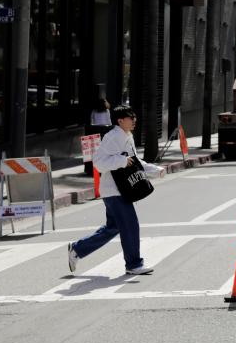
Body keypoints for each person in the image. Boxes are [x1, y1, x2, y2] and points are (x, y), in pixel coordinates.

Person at [68, 105, 164, 275]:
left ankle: (78, 249)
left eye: (134, 116)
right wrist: (120, 161)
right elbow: (98, 163)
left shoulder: (127, 136)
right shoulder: (112, 137)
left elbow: (134, 162)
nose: (134, 120)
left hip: (119, 191)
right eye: (131, 117)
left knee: (113, 228)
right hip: (113, 191)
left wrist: (155, 170)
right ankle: (134, 264)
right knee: (130, 225)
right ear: (120, 121)